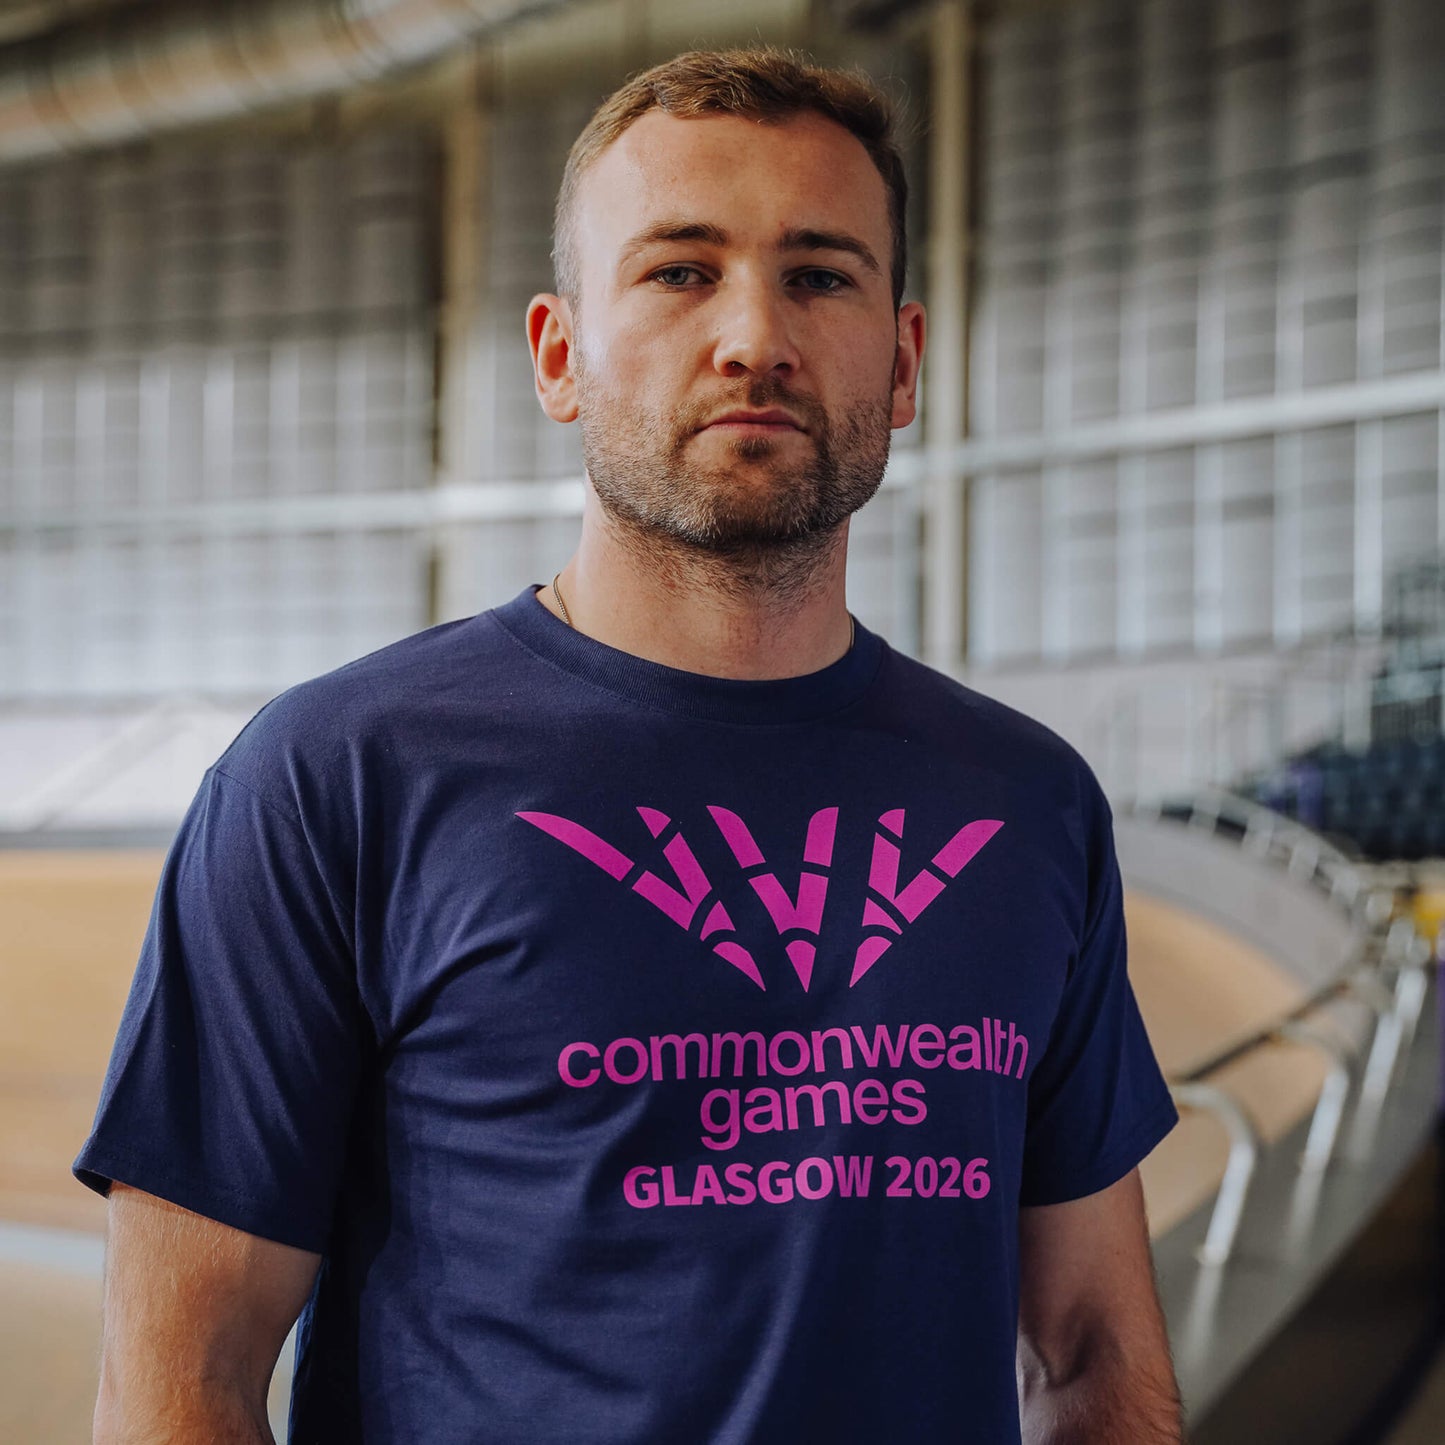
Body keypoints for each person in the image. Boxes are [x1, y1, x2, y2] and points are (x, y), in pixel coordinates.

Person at [77, 47, 1182, 1445]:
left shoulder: (1025, 802)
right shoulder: (334, 781)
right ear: (557, 354)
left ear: (901, 363)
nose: (751, 338)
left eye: (820, 274)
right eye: (678, 270)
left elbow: (1095, 1358)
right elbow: (184, 1386)